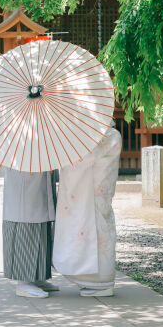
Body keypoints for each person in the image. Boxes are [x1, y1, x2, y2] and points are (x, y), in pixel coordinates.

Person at [53, 127, 122, 297]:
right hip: (95, 188)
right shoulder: (106, 134)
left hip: (95, 189)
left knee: (98, 230)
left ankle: (102, 282)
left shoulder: (108, 135)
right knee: (96, 229)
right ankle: (92, 278)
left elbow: (82, 159)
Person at [2, 166, 58, 298]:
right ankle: (23, 282)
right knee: (25, 225)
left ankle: (37, 277)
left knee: (42, 224)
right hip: (23, 175)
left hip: (39, 174)